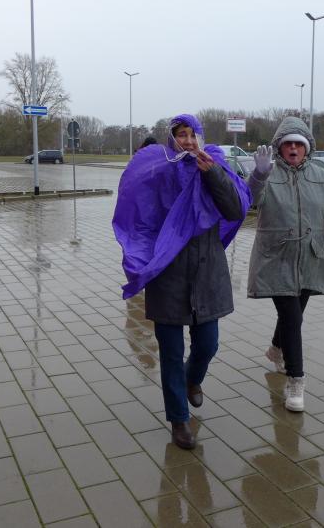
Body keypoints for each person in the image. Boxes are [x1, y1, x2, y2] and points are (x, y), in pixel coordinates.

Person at [113, 114, 252, 449]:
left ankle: (193, 380)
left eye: (192, 134)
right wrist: (142, 259)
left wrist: (212, 174)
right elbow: (141, 215)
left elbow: (235, 210)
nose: (188, 141)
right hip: (168, 276)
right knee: (171, 353)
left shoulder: (215, 166)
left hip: (207, 275)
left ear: (201, 138)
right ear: (172, 139)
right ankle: (179, 420)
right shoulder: (159, 171)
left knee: (208, 345)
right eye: (181, 135)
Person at [247, 116, 324, 412]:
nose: (293, 149)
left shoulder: (320, 175)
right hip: (276, 258)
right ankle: (296, 381)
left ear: (307, 148)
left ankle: (276, 349)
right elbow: (247, 201)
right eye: (288, 144)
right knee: (292, 319)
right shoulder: (268, 173)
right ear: (279, 147)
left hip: (310, 258)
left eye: (298, 144)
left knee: (293, 315)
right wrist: (258, 176)